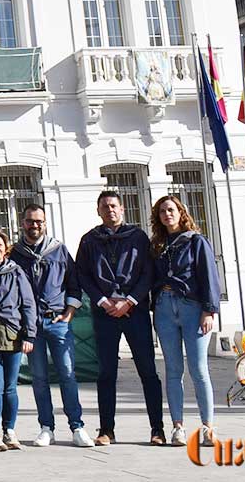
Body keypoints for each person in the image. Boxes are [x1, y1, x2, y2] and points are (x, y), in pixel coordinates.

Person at [75, 191, 164, 447]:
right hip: (105, 314)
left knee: (148, 371)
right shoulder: (89, 240)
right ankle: (106, 430)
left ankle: (157, 429)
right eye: (105, 206)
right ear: (98, 211)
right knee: (106, 373)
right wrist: (104, 301)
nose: (110, 210)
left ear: (122, 209)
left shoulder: (138, 238)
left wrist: (130, 301)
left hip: (134, 312)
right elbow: (83, 275)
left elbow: (148, 273)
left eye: (114, 206)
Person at [10, 204, 92, 448]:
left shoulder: (58, 250)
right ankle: (46, 427)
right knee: (39, 377)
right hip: (31, 326)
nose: (34, 225)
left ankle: (77, 427)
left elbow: (74, 283)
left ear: (45, 223)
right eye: (30, 221)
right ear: (22, 223)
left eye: (39, 222)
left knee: (67, 374)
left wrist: (69, 312)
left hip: (57, 322)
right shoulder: (15, 254)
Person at [150, 195, 221, 447]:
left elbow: (209, 275)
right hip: (164, 308)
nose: (167, 214)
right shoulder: (157, 245)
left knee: (199, 369)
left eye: (171, 210)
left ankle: (208, 427)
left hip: (192, 307)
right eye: (162, 212)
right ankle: (178, 427)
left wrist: (209, 310)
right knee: (172, 370)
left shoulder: (196, 241)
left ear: (181, 212)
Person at [0, 230, 37, 452]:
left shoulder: (16, 272)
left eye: (0, 244)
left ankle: (9, 429)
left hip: (13, 334)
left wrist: (30, 334)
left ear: (6, 247)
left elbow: (28, 304)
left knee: (10, 387)